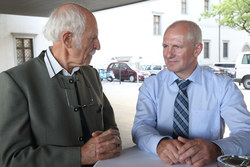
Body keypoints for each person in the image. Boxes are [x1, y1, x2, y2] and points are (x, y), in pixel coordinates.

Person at [0, 3, 121, 167]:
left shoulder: (91, 75)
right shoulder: (15, 82)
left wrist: (111, 141)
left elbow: (110, 127)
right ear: (68, 39)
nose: (98, 46)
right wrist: (80, 155)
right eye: (92, 38)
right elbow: (11, 160)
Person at [132, 20, 250, 167]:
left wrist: (217, 149)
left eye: (177, 47)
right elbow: (140, 127)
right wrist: (158, 144)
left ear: (197, 49)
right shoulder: (151, 86)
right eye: (165, 46)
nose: (168, 54)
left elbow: (246, 132)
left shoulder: (223, 87)